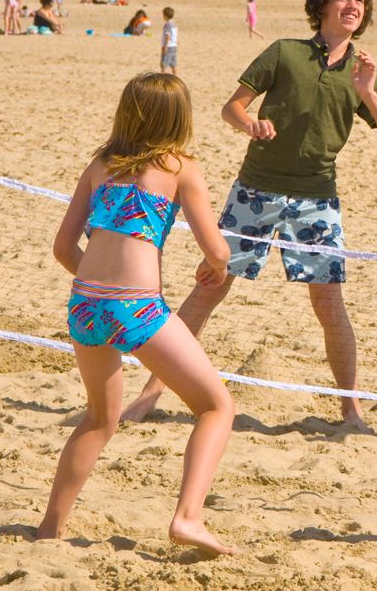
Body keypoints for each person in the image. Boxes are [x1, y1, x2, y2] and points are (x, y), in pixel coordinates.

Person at [121, 0, 377, 428]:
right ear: (322, 6)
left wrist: (368, 94)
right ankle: (150, 394)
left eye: (360, 0)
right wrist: (249, 123)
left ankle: (351, 411)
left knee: (329, 305)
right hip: (255, 191)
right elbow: (231, 106)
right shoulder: (284, 52)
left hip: (317, 199)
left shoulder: (362, 70)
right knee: (210, 287)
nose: (353, 6)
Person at [37, 72, 236, 556]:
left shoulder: (100, 165)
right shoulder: (180, 166)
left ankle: (48, 530)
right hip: (136, 305)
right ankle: (188, 517)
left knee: (99, 420)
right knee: (215, 407)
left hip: (85, 303)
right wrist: (216, 264)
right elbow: (217, 248)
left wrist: (99, 286)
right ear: (179, 118)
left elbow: (63, 246)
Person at [160, 6, 179, 74]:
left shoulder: (167, 25)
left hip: (168, 46)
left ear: (165, 15)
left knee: (164, 64)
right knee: (173, 64)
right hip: (174, 46)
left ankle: (162, 79)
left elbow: (168, 36)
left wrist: (165, 47)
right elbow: (175, 35)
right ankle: (176, 78)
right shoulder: (174, 24)